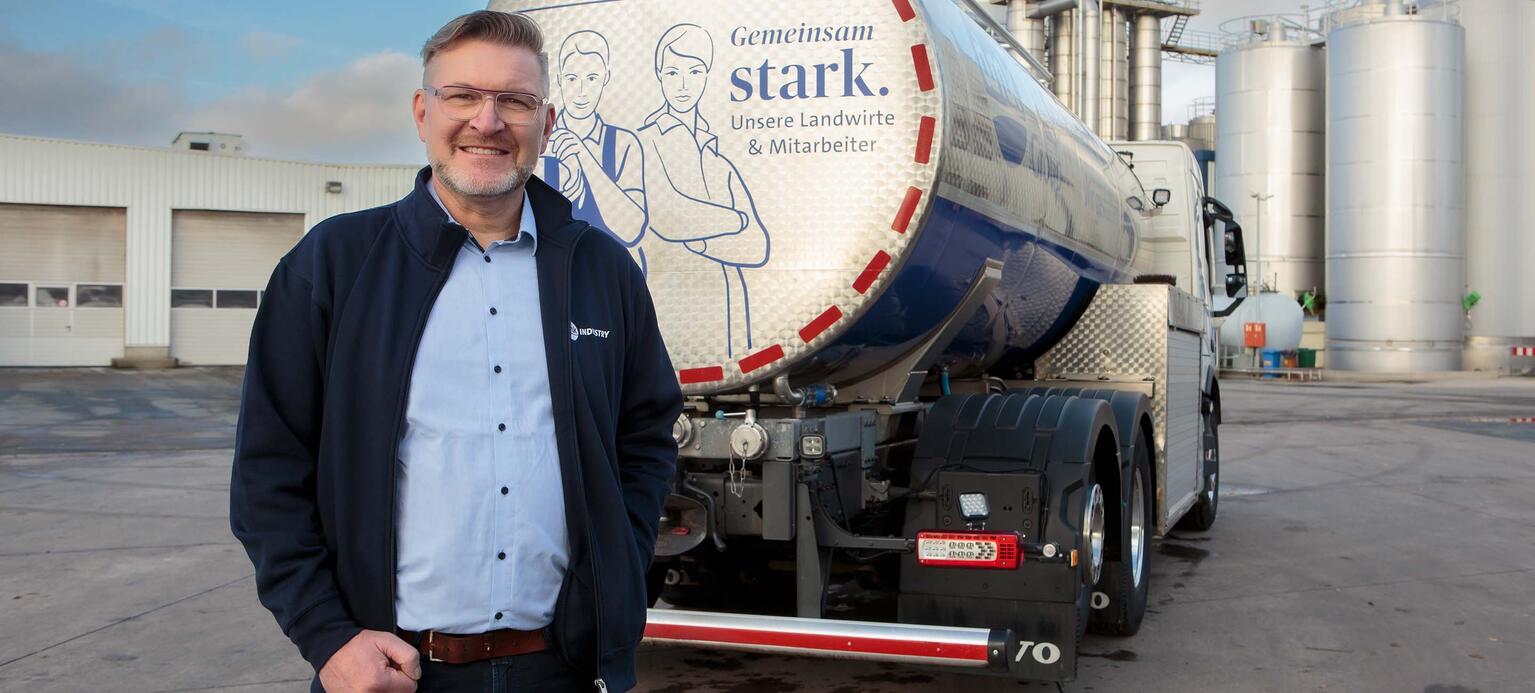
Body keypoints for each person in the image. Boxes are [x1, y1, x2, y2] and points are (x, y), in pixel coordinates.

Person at [229, 10, 682, 693]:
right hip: (390, 673)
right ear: (422, 111)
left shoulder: (600, 269)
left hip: (559, 669)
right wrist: (328, 637)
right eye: (463, 95)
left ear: (546, 123)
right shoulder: (332, 265)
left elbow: (645, 433)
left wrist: (614, 562)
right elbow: (269, 473)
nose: (488, 121)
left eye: (515, 101)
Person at [636, 23, 769, 358]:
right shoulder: (641, 142)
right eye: (672, 72)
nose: (683, 84)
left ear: (707, 74)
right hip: (672, 311)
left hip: (727, 314)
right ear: (658, 75)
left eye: (694, 72)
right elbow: (670, 216)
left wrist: (703, 239)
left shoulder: (714, 155)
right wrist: (736, 221)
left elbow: (757, 246)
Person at [541, 30, 649, 273]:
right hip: (553, 276)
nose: (581, 91)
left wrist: (583, 155)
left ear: (605, 78)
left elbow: (632, 230)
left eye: (591, 79)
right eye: (571, 79)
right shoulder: (539, 147)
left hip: (612, 278)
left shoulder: (623, 144)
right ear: (558, 79)